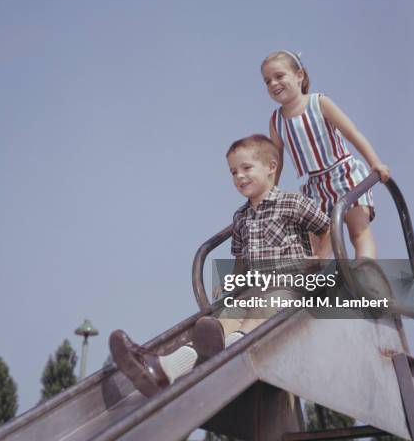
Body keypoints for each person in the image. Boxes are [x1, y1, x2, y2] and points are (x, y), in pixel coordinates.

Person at [110, 134, 332, 397]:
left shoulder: (293, 203)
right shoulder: (240, 216)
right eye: (233, 172)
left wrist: (319, 262)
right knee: (222, 320)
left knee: (262, 308)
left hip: (288, 288)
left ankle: (235, 350)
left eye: (246, 168)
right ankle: (164, 369)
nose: (239, 177)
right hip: (252, 289)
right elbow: (239, 256)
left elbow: (327, 228)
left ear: (271, 167)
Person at [262, 50, 390, 259]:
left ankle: (366, 271)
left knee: (357, 231)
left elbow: (352, 133)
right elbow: (276, 162)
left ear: (299, 75)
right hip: (315, 186)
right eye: (267, 81)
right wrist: (269, 195)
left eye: (279, 76)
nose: (273, 83)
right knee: (313, 244)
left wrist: (375, 163)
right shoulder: (276, 121)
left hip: (344, 174)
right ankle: (317, 283)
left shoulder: (319, 103)